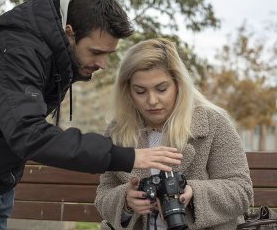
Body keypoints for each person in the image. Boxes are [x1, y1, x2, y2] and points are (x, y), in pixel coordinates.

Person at [0, 0, 182, 229]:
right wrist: (126, 156)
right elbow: (29, 133)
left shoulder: (52, 55)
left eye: (108, 54)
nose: (103, 64)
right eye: (96, 52)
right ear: (69, 32)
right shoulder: (20, 52)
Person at [95, 38, 254, 230]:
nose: (152, 100)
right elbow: (104, 194)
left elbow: (241, 191)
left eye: (161, 89)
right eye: (140, 91)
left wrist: (194, 192)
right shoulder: (118, 130)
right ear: (127, 90)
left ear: (178, 84)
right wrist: (126, 202)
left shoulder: (213, 123)